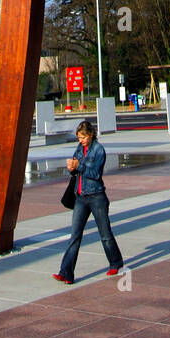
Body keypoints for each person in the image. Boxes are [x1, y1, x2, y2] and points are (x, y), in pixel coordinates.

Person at [53, 121, 124, 285]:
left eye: (83, 137)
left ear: (90, 134)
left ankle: (116, 262)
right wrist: (71, 167)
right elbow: (77, 169)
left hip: (96, 196)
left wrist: (80, 165)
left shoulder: (98, 150)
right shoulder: (79, 148)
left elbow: (96, 173)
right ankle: (66, 272)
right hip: (80, 197)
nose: (81, 140)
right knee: (74, 236)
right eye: (79, 137)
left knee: (105, 235)